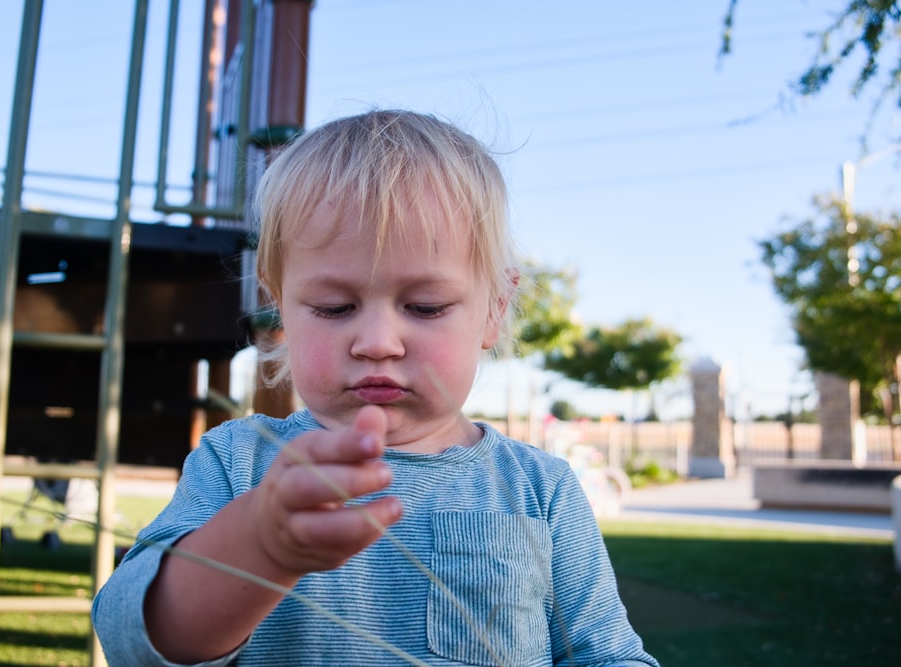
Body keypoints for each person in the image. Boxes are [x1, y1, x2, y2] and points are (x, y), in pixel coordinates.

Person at [91, 109, 659, 667]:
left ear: (495, 309)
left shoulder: (541, 489)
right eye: (334, 308)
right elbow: (131, 638)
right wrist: (260, 545)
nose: (378, 342)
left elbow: (607, 654)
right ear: (279, 305)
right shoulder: (237, 463)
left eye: (425, 306)